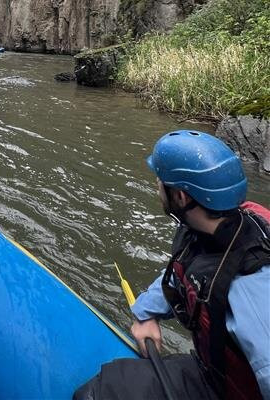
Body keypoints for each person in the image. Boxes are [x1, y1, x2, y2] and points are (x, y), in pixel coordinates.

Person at [74, 129, 270, 400]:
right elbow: (184, 270)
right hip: (213, 373)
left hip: (227, 391)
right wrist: (146, 312)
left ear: (181, 196)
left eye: (160, 181)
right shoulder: (216, 225)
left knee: (95, 395)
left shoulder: (252, 292)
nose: (157, 187)